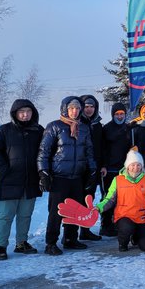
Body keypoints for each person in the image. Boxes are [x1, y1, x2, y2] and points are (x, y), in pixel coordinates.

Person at [0, 99, 44, 260]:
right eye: (21, 112)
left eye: (28, 111)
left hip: (30, 181)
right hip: (8, 181)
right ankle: (1, 246)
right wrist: (4, 168)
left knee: (25, 214)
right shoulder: (4, 131)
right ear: (15, 113)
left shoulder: (38, 130)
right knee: (5, 215)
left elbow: (46, 150)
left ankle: (21, 243)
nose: (25, 115)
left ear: (33, 113)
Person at [37, 96, 96, 256]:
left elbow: (89, 151)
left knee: (75, 210)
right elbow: (44, 152)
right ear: (65, 109)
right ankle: (51, 243)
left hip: (77, 176)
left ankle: (70, 239)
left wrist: (92, 170)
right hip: (59, 177)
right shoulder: (54, 127)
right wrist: (44, 172)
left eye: (77, 108)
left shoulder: (84, 128)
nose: (75, 111)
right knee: (56, 212)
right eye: (71, 108)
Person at [96, 149, 145, 252]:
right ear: (127, 166)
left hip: (141, 216)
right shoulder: (117, 180)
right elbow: (110, 199)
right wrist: (100, 207)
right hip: (124, 216)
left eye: (138, 165)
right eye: (132, 165)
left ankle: (136, 236)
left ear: (142, 166)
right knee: (126, 228)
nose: (135, 168)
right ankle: (123, 242)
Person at [99, 102, 130, 237]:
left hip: (124, 169)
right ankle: (105, 225)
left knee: (123, 198)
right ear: (113, 115)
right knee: (108, 197)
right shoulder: (107, 128)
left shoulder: (129, 128)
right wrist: (103, 165)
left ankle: (119, 222)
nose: (119, 116)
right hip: (109, 169)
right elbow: (104, 147)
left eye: (122, 114)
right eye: (117, 114)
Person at [77, 94, 103, 241]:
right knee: (76, 200)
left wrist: (102, 165)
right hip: (79, 168)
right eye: (86, 106)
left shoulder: (97, 125)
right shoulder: (76, 123)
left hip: (94, 169)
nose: (89, 109)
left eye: (92, 106)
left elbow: (102, 147)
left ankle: (85, 230)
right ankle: (70, 233)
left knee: (88, 199)